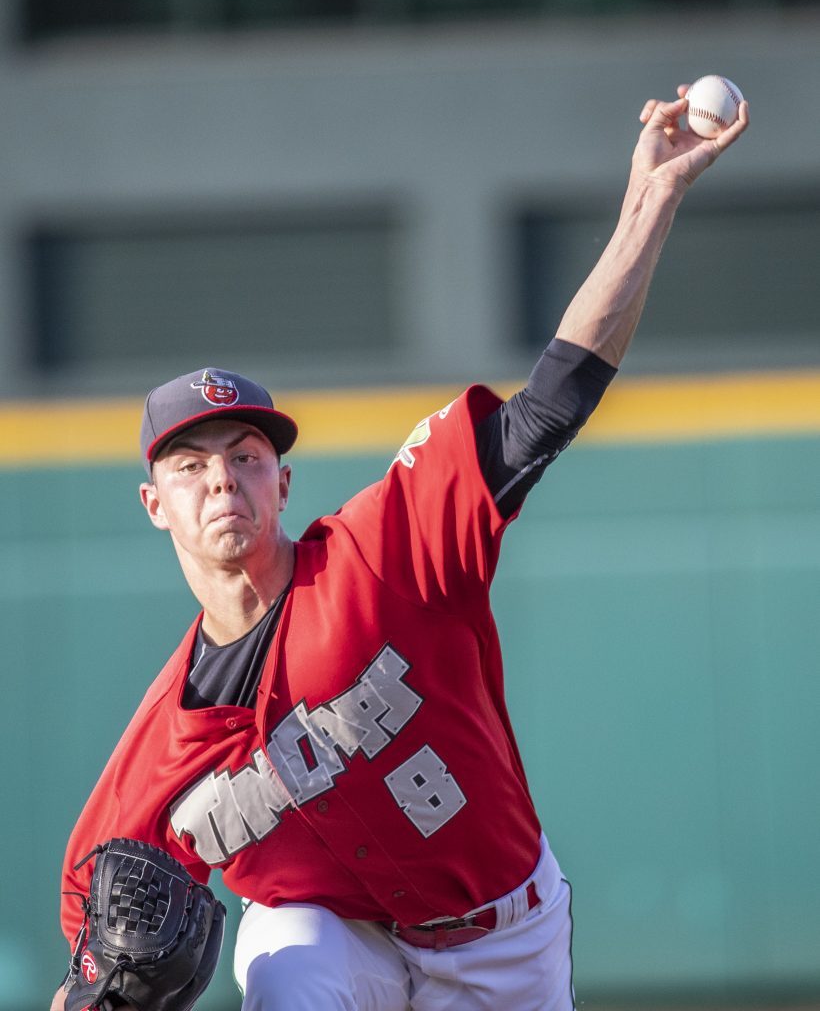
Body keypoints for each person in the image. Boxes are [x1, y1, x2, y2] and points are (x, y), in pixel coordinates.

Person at [51, 87, 748, 1011]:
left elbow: (551, 400)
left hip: (503, 937)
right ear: (154, 505)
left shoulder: (386, 551)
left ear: (282, 484)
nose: (222, 479)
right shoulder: (156, 756)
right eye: (190, 465)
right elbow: (90, 962)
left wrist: (649, 205)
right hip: (333, 938)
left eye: (247, 456)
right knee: (287, 956)